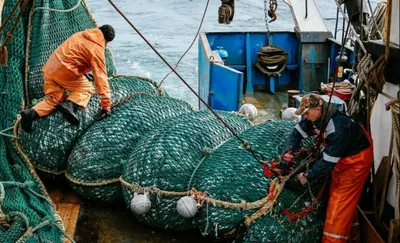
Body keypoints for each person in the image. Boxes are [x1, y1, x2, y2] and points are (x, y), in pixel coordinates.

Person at [281, 93, 372, 242]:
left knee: (339, 203)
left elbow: (326, 165)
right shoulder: (316, 119)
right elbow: (296, 133)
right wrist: (288, 154)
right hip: (341, 158)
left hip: (356, 162)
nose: (306, 117)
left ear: (318, 109)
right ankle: (353, 236)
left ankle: (333, 239)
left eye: (307, 113)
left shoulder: (338, 128)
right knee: (339, 195)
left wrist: (304, 177)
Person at [19, 25, 115, 133]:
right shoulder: (97, 48)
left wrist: (83, 72)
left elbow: (73, 55)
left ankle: (31, 113)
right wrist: (106, 106)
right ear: (106, 40)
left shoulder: (80, 34)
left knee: (55, 99)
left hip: (50, 67)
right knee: (86, 88)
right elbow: (101, 78)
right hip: (65, 71)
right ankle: (70, 105)